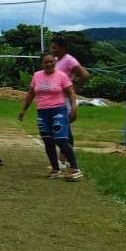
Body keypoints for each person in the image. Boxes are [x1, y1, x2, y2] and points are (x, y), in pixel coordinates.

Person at [19, 52, 82, 181]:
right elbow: (31, 93)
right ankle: (55, 168)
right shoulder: (37, 76)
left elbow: (71, 93)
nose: (49, 64)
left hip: (58, 110)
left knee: (61, 139)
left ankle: (75, 168)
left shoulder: (61, 76)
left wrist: (74, 107)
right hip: (42, 112)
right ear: (42, 64)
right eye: (46, 62)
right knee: (47, 140)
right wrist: (23, 109)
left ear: (55, 62)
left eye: (51, 61)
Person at [51, 35, 90, 170]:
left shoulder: (69, 60)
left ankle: (64, 159)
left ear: (63, 48)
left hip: (66, 100)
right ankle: (66, 158)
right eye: (52, 48)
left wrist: (74, 89)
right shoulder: (56, 61)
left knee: (62, 129)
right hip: (56, 99)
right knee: (62, 129)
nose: (53, 50)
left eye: (55, 48)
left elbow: (85, 74)